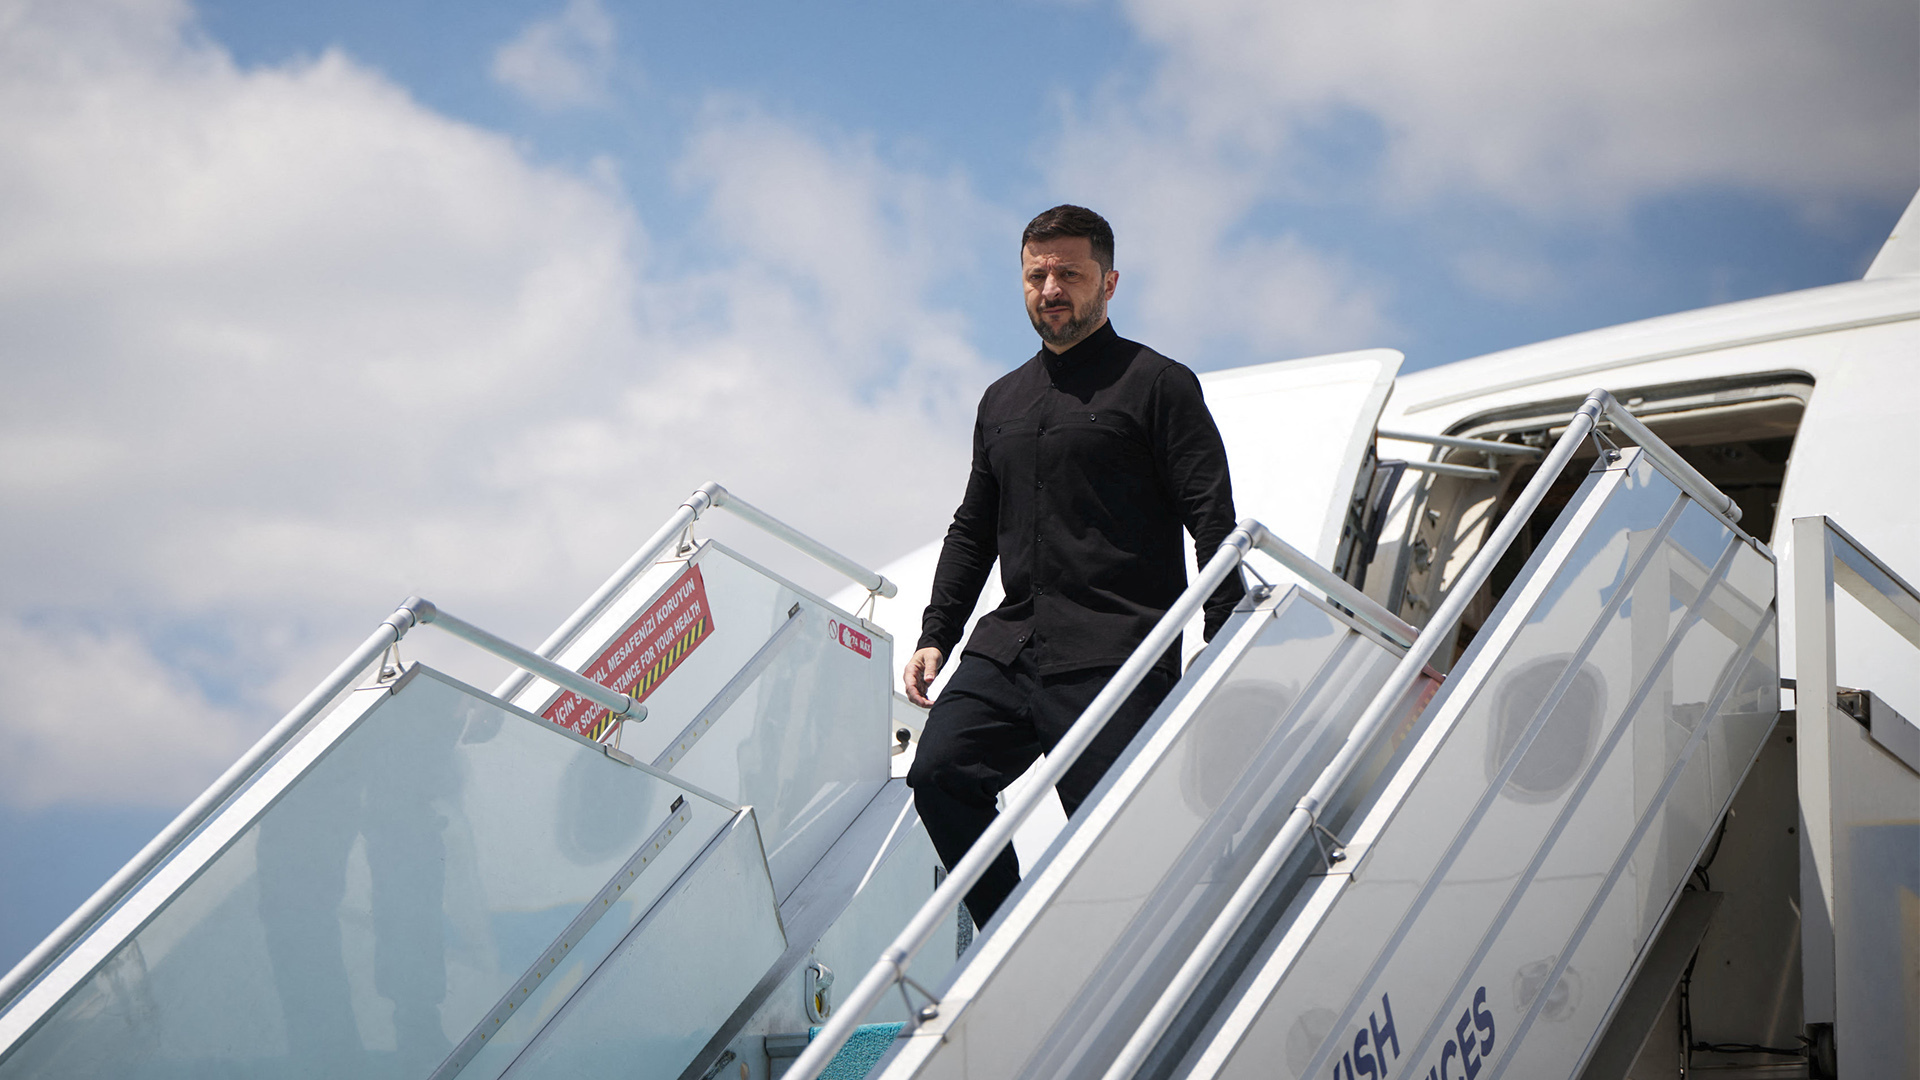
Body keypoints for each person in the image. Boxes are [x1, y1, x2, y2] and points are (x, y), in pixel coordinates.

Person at [903, 204, 1245, 929]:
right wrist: (938, 631)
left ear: (1109, 282)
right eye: (1037, 276)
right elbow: (973, 529)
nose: (1051, 289)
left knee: (1111, 842)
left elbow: (1211, 515)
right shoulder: (1001, 399)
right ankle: (1006, 934)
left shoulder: (1159, 384)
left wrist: (1226, 629)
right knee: (938, 774)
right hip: (1011, 645)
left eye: (1069, 274)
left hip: (1116, 649)